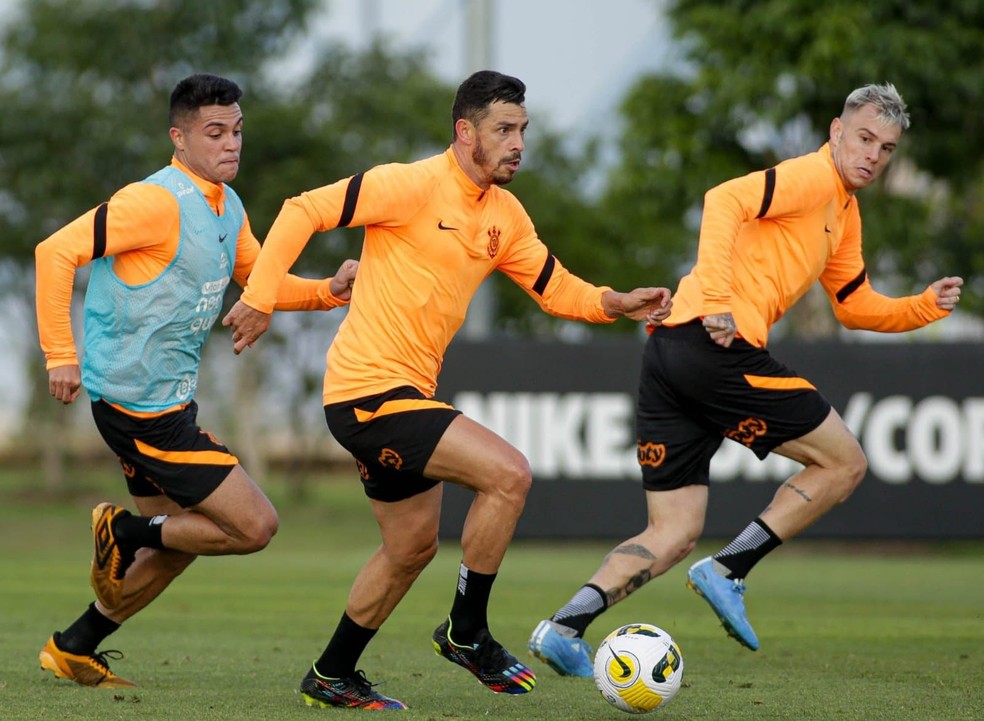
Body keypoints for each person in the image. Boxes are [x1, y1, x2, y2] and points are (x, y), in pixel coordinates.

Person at [222, 69, 672, 710]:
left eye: (523, 130)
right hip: (368, 392)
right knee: (509, 474)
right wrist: (261, 298)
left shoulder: (505, 216)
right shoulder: (407, 185)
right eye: (504, 130)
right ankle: (466, 632)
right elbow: (303, 210)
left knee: (410, 549)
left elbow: (555, 287)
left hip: (398, 395)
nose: (518, 143)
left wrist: (614, 302)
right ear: (466, 133)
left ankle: (331, 674)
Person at [528, 82, 964, 676]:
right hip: (715, 345)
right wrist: (713, 297)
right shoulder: (812, 178)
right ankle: (729, 569)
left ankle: (563, 626)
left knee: (674, 529)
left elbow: (853, 304)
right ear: (836, 131)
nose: (873, 155)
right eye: (864, 138)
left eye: (886, 148)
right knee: (845, 463)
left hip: (671, 351)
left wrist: (921, 307)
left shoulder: (843, 210)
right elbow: (723, 198)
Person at [35, 73, 358, 688]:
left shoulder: (226, 205)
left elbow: (259, 279)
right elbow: (55, 251)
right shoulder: (153, 201)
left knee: (180, 543)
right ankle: (121, 530)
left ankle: (76, 646)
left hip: (164, 404)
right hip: (139, 411)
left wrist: (327, 291)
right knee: (254, 526)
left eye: (237, 131)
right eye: (215, 132)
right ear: (178, 138)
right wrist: (59, 354)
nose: (231, 144)